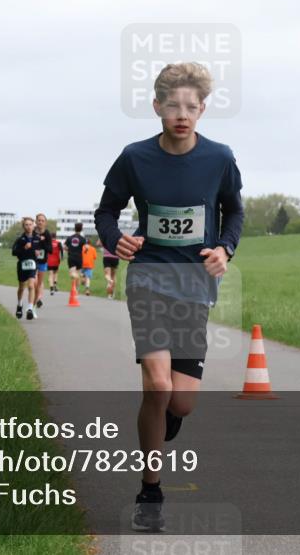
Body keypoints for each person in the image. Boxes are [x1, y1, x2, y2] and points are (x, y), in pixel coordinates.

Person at [95, 62, 244, 533]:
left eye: (191, 107)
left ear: (202, 109)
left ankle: (162, 426)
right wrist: (113, 239)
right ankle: (150, 489)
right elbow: (106, 210)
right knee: (156, 387)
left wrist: (225, 248)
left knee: (181, 403)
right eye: (173, 106)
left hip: (195, 284)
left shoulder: (219, 157)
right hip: (149, 279)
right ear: (157, 107)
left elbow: (234, 210)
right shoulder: (134, 157)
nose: (182, 114)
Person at [12, 217, 40, 320]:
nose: (28, 227)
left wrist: (39, 253)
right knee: (21, 287)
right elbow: (14, 252)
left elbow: (45, 249)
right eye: (26, 225)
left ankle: (29, 309)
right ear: (23, 226)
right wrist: (24, 248)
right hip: (22, 265)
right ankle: (19, 305)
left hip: (33, 264)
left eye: (30, 224)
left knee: (31, 285)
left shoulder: (37, 238)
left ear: (33, 225)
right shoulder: (20, 239)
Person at [33, 214, 54, 307]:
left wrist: (43, 241)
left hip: (42, 261)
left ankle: (38, 298)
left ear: (45, 223)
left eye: (42, 220)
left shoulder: (47, 234)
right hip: (32, 261)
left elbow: (50, 250)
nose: (40, 222)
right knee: (34, 281)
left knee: (39, 282)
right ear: (36, 221)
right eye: (39, 220)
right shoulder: (32, 232)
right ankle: (36, 298)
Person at [65, 223, 86, 291]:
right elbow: (86, 249)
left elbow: (64, 247)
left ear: (74, 228)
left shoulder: (70, 238)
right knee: (77, 273)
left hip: (71, 257)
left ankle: (81, 276)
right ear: (81, 229)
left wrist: (70, 249)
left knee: (72, 274)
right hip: (79, 258)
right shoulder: (83, 239)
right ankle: (76, 289)